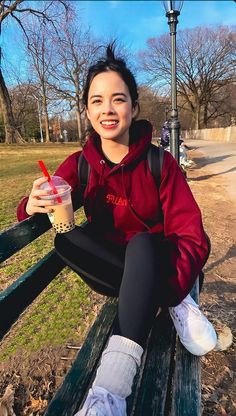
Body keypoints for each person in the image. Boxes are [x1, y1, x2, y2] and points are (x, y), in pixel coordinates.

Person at [17, 44, 217, 416]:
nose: (107, 109)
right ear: (88, 111)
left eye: (118, 99)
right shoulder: (81, 164)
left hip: (160, 262)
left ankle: (108, 394)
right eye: (97, 100)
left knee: (142, 243)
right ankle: (172, 300)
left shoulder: (161, 163)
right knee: (65, 240)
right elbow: (47, 197)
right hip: (114, 270)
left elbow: (191, 236)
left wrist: (172, 286)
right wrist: (30, 203)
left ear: (134, 108)